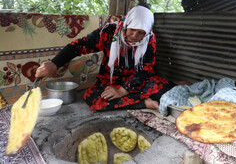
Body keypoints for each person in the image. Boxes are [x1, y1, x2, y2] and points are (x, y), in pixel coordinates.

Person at [35, 6, 175, 113]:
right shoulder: (109, 33)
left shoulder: (149, 40)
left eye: (140, 33)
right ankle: (144, 103)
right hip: (111, 80)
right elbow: (79, 46)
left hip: (137, 80)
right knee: (95, 100)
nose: (134, 35)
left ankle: (134, 98)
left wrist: (122, 91)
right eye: (132, 29)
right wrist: (54, 63)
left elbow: (145, 70)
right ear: (126, 24)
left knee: (165, 90)